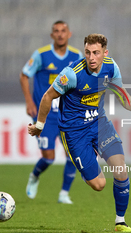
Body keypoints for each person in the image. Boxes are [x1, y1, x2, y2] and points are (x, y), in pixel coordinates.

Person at [28, 33, 131, 232]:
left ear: (105, 53)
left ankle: (120, 221)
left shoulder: (111, 67)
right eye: (87, 52)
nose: (91, 57)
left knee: (121, 169)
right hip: (74, 131)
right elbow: (48, 96)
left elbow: (120, 92)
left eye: (96, 53)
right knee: (99, 184)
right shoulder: (72, 74)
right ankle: (86, 166)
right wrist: (40, 126)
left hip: (99, 123)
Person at [20, 21, 83, 204]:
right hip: (45, 114)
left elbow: (81, 81)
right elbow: (24, 75)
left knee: (73, 154)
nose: (60, 34)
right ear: (52, 35)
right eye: (56, 31)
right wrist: (29, 101)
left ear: (69, 34)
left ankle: (64, 193)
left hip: (68, 113)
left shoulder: (77, 55)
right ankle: (34, 176)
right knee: (49, 157)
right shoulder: (41, 55)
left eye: (63, 31)